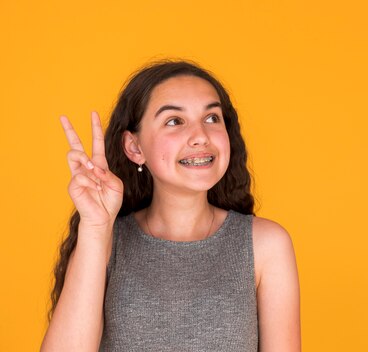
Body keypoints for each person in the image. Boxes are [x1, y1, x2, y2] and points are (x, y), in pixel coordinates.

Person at [41, 61, 301, 351]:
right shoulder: (105, 239)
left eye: (212, 118)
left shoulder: (265, 245)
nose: (201, 135)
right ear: (135, 148)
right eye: (175, 121)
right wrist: (95, 227)